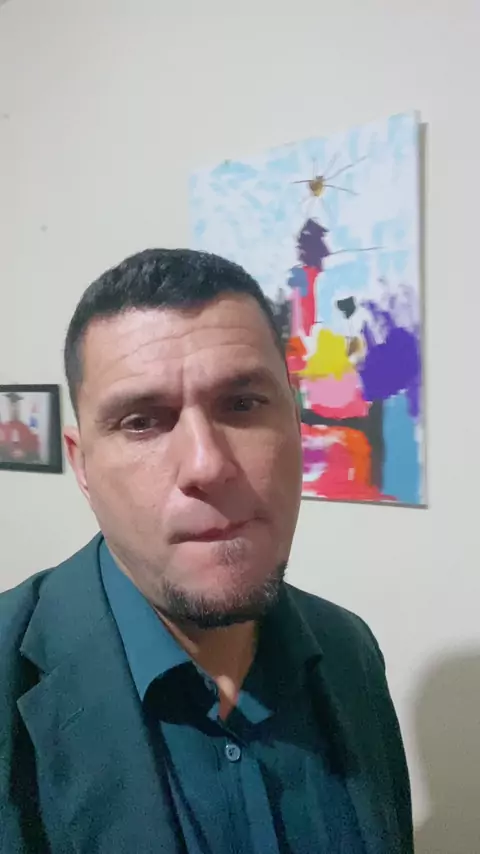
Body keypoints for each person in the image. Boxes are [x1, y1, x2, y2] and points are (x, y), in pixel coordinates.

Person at [0, 249, 413, 854]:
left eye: (242, 404)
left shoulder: (350, 649)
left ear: (296, 425)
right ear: (82, 465)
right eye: (141, 421)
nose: (207, 465)